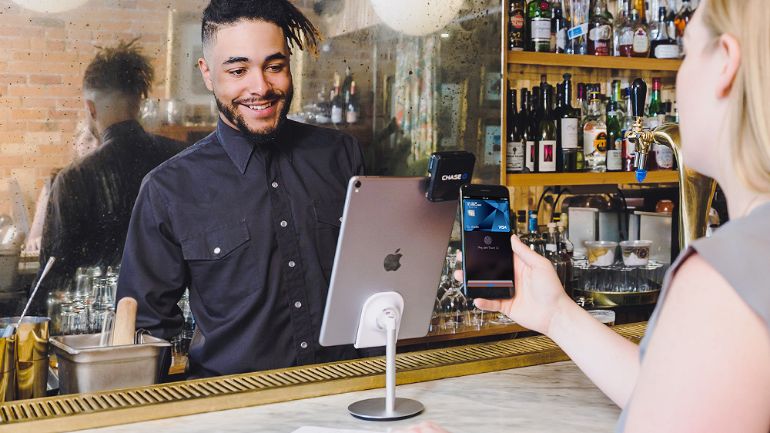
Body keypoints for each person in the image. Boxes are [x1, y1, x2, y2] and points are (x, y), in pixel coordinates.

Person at [398, 0, 770, 431]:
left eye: (687, 55)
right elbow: (678, 395)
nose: (678, 77)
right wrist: (557, 313)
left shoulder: (719, 277)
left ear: (725, 63)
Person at [116, 0, 365, 378]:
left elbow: (379, 276)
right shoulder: (168, 189)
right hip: (231, 407)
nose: (260, 87)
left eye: (274, 66)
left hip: (346, 394)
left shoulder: (340, 156)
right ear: (208, 74)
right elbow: (145, 331)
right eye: (238, 70)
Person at [39, 40, 186, 299]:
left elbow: (54, 281)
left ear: (90, 108)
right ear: (138, 105)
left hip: (101, 331)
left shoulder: (74, 178)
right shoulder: (182, 158)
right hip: (175, 318)